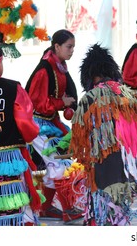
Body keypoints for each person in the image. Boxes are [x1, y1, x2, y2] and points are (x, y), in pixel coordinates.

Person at [69, 44, 137, 226]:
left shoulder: (90, 97)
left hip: (102, 166)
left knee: (102, 213)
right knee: (119, 210)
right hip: (127, 165)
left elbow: (79, 139)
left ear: (90, 75)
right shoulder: (128, 93)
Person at [25, 29, 82, 222]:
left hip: (49, 122)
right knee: (58, 163)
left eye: (73, 47)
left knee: (54, 164)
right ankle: (68, 209)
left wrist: (67, 105)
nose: (72, 50)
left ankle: (46, 207)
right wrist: (61, 103)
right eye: (69, 46)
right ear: (56, 46)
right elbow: (36, 103)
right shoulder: (44, 70)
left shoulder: (59, 66)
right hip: (37, 125)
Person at [0, 41, 41, 226]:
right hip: (7, 160)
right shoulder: (13, 88)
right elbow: (26, 124)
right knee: (11, 203)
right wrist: (29, 135)